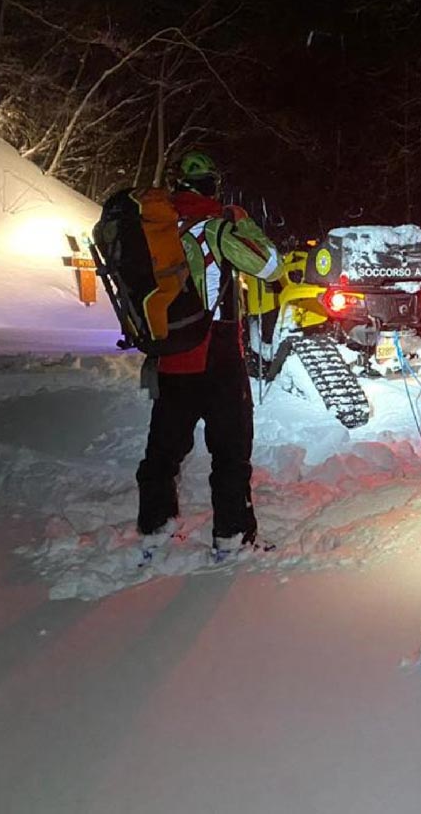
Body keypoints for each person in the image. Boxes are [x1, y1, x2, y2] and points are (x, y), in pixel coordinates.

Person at [136, 151, 281, 556]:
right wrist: (241, 219)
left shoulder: (155, 226)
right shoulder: (218, 226)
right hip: (215, 352)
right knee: (231, 451)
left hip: (169, 352)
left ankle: (154, 526)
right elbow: (271, 265)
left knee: (163, 449)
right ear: (211, 185)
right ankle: (231, 536)